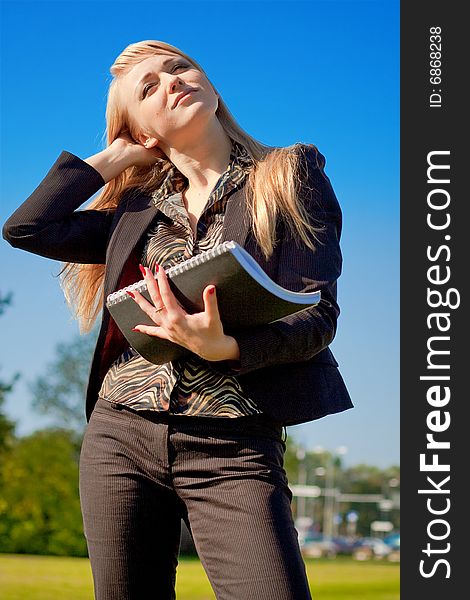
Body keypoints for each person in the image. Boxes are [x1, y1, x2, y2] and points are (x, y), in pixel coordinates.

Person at [3, 40, 353, 600]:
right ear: (142, 132)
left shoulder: (289, 175)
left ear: (211, 87)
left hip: (233, 440)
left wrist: (229, 347)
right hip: (120, 435)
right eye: (148, 88)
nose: (171, 80)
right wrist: (116, 159)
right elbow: (28, 229)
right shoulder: (135, 214)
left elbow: (318, 315)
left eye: (179, 67)